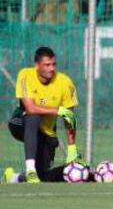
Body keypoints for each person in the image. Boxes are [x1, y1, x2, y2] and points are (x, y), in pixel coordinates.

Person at [1, 47, 83, 183]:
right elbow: (31, 108)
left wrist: (72, 149)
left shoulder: (65, 82)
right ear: (37, 66)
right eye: (47, 65)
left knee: (44, 177)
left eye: (53, 64)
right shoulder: (25, 75)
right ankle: (30, 170)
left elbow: (69, 116)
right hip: (20, 122)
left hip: (47, 133)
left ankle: (13, 177)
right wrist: (57, 110)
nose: (51, 68)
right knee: (33, 117)